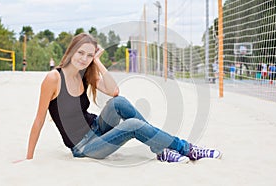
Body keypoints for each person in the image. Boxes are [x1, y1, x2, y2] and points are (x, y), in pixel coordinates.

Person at [24, 33, 222, 163]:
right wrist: (28, 159)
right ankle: (187, 149)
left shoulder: (85, 74)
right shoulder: (53, 78)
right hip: (84, 146)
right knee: (133, 125)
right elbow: (39, 119)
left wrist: (98, 62)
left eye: (89, 55)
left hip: (97, 128)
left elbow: (114, 91)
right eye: (80, 53)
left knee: (119, 103)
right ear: (71, 51)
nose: (83, 59)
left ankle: (161, 149)